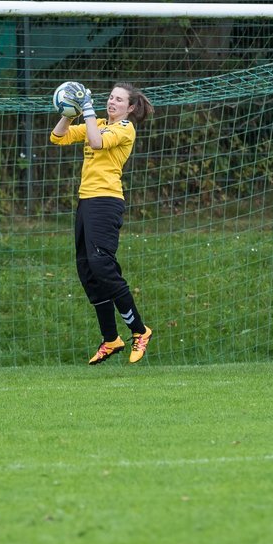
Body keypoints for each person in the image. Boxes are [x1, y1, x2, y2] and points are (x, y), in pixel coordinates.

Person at [50, 82, 155, 365]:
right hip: (86, 203)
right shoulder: (94, 123)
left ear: (130, 108)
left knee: (102, 266)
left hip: (106, 202)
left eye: (119, 100)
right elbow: (58, 137)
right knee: (87, 270)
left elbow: (96, 142)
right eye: (110, 97)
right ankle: (111, 339)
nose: (112, 102)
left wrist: (85, 109)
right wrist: (69, 111)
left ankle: (140, 330)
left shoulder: (124, 129)